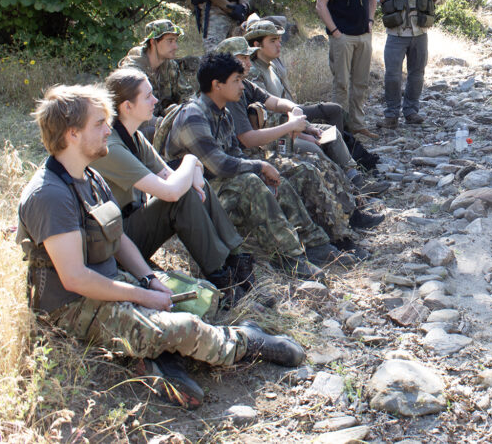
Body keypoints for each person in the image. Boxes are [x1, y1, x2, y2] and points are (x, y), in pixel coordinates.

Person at [16, 84, 305, 409]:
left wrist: (148, 279)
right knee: (185, 326)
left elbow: (119, 238)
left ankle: (160, 358)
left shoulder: (90, 177)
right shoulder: (50, 195)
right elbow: (75, 279)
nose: (108, 130)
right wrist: (143, 295)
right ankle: (245, 342)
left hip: (109, 282)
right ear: (72, 135)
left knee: (201, 298)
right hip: (73, 306)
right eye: (98, 124)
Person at [159, 53, 348, 277]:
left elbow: (235, 154)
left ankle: (316, 245)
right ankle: (290, 257)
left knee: (281, 178)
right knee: (250, 182)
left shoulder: (222, 113)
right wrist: (259, 167)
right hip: (195, 195)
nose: (242, 86)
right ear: (216, 85)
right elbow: (219, 165)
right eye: (236, 81)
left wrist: (263, 169)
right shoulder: (193, 116)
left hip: (218, 183)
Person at [91, 68, 253, 298]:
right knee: (183, 195)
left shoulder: (134, 136)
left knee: (198, 186)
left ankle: (236, 261)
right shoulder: (113, 148)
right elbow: (171, 191)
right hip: (116, 245)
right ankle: (222, 278)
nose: (155, 101)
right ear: (127, 106)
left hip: (129, 229)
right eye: (147, 96)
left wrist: (192, 171)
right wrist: (191, 160)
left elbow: (169, 175)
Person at [213, 37, 384, 242]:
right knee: (309, 164)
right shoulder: (231, 93)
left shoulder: (244, 85)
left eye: (249, 58)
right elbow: (248, 139)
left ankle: (351, 211)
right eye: (243, 58)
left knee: (319, 158)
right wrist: (291, 128)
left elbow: (274, 102)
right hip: (248, 155)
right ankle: (332, 232)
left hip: (264, 145)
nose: (248, 62)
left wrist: (293, 110)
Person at [243, 19, 389, 194]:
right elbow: (264, 121)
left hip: (292, 125)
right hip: (276, 136)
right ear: (256, 45)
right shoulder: (254, 75)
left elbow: (283, 104)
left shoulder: (271, 66)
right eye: (272, 41)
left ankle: (356, 180)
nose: (279, 45)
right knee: (313, 147)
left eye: (279, 40)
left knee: (331, 133)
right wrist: (303, 135)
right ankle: (345, 191)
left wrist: (306, 126)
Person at [375, 0, 447, 128]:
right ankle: (391, 115)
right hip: (396, 34)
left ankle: (411, 112)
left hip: (420, 33)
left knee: (417, 74)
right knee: (392, 75)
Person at [314, 0, 378, 140]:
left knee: (360, 83)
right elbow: (320, 4)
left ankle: (357, 125)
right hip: (342, 37)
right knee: (341, 84)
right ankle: (339, 130)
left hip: (363, 36)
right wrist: (335, 31)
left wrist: (370, 21)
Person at [118, 19, 196, 140]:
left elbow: (187, 96)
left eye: (175, 41)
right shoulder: (133, 73)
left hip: (160, 122)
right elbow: (136, 115)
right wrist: (170, 123)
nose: (176, 46)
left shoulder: (170, 65)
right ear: (153, 42)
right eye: (170, 41)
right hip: (137, 129)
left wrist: (188, 112)